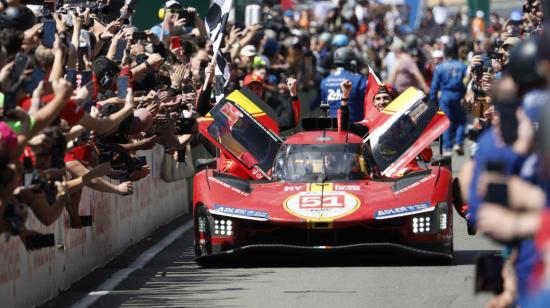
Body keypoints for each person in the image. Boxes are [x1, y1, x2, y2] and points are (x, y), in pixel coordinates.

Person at [429, 41, 468, 156]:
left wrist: (432, 100)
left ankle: (447, 148)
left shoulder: (440, 67)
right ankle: (459, 143)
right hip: (459, 95)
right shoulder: (463, 66)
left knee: (447, 121)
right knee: (461, 120)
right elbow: (467, 82)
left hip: (445, 95)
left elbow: (434, 85)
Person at [321, 47, 367, 122]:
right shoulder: (359, 79)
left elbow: (324, 106)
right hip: (354, 128)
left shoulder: (324, 82)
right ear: (352, 62)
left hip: (332, 128)